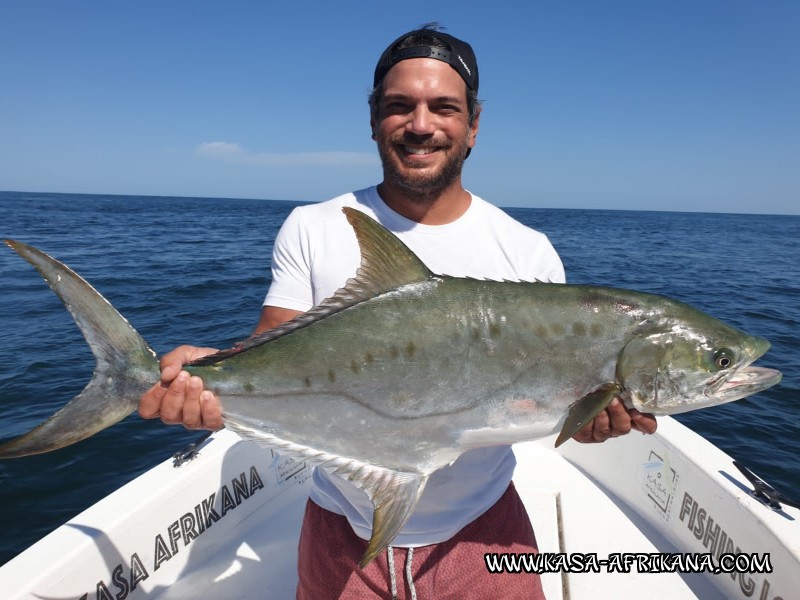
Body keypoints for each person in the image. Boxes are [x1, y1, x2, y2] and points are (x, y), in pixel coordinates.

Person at [139, 25, 657, 599]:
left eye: (444, 108)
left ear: (473, 126)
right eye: (399, 107)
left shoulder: (527, 250)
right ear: (373, 120)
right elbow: (272, 349)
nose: (420, 125)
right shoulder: (314, 226)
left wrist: (588, 423)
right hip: (339, 537)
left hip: (484, 537)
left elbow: (550, 410)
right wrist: (210, 378)